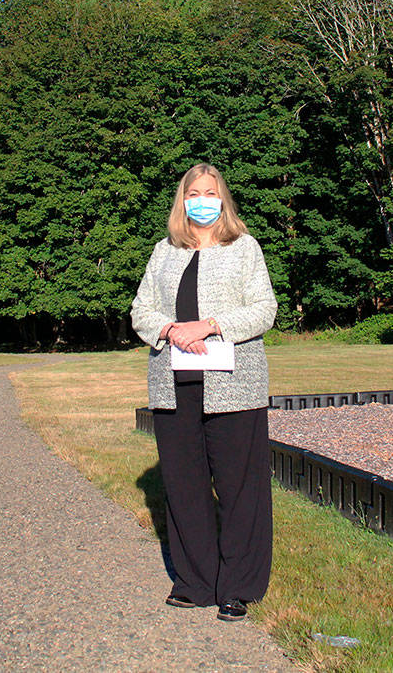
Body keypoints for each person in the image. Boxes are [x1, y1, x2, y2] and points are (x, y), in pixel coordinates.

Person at [130, 163, 278, 622]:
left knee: (239, 487)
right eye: (193, 192)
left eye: (209, 192)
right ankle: (195, 581)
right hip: (175, 384)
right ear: (182, 200)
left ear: (222, 199)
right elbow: (140, 310)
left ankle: (238, 585)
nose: (201, 199)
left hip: (234, 385)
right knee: (185, 487)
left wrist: (211, 326)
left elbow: (264, 310)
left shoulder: (245, 249)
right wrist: (172, 330)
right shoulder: (163, 252)